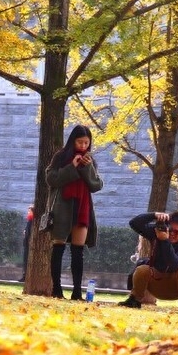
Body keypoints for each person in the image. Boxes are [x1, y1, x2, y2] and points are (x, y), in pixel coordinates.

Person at [44, 125, 103, 300]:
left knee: (78, 250)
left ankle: (77, 292)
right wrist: (72, 166)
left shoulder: (90, 161)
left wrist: (87, 168)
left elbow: (97, 185)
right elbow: (51, 179)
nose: (83, 146)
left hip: (82, 207)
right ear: (73, 141)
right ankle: (56, 289)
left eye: (86, 142)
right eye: (80, 142)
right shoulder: (61, 156)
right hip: (62, 207)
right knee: (58, 247)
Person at [116, 211, 178, 314]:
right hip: (156, 283)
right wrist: (154, 215)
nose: (172, 234)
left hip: (176, 287)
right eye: (170, 230)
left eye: (176, 232)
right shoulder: (158, 232)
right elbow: (134, 223)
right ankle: (134, 300)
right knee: (142, 269)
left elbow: (174, 265)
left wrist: (164, 241)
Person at [20, 204, 34, 282]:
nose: (28, 212)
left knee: (27, 260)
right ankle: (25, 275)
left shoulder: (32, 221)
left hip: (29, 244)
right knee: (26, 260)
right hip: (27, 243)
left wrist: (26, 233)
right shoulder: (29, 220)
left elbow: (29, 232)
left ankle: (25, 276)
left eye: (29, 211)